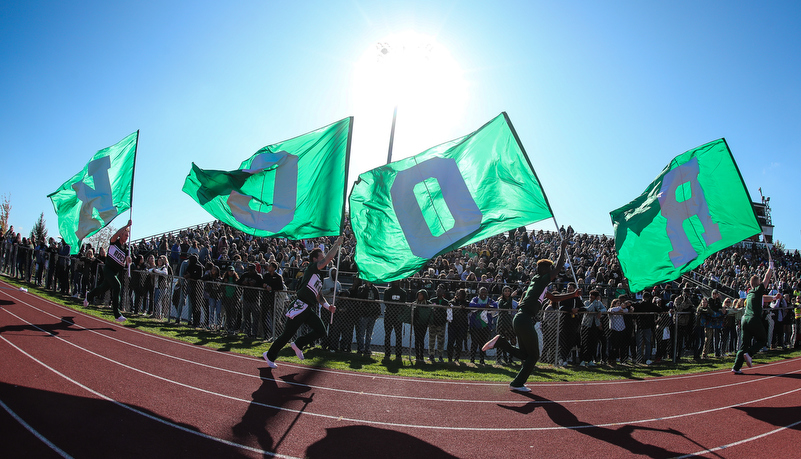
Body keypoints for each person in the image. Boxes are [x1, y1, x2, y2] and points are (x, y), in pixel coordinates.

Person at [482, 237, 580, 392]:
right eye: (550, 269)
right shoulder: (541, 280)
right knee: (534, 356)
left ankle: (500, 342)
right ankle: (517, 383)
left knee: (524, 354)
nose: (553, 272)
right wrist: (562, 248)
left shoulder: (538, 283)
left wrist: (573, 295)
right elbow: (560, 266)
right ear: (543, 271)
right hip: (524, 319)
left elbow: (554, 298)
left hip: (521, 319)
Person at [262, 236, 343, 368]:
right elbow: (328, 258)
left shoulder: (319, 276)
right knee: (287, 334)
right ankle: (270, 355)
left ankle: (299, 344)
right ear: (315, 259)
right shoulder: (312, 268)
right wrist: (337, 244)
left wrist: (328, 307)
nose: (324, 259)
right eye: (321, 257)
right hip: (300, 305)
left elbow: (319, 296)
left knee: (321, 330)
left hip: (308, 308)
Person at [732, 262, 781, 374]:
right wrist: (770, 267)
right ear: (758, 283)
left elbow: (763, 298)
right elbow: (767, 278)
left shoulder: (750, 293)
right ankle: (750, 353)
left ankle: (736, 367)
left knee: (744, 345)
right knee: (762, 339)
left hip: (745, 320)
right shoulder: (758, 289)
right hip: (754, 319)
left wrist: (774, 297)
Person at [84, 220, 133, 323]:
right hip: (108, 269)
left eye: (128, 236)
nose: (126, 237)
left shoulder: (127, 249)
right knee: (117, 286)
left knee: (102, 289)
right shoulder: (114, 242)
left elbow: (128, 263)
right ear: (121, 235)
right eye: (125, 235)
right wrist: (126, 225)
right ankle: (117, 314)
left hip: (115, 272)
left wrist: (129, 261)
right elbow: (116, 234)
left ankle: (89, 296)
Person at [382, 280, 408, 361]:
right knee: (387, 335)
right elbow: (386, 302)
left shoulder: (403, 292)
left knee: (398, 335)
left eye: (398, 281)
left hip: (398, 317)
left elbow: (403, 303)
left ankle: (398, 354)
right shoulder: (387, 291)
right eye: (395, 281)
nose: (396, 282)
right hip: (389, 315)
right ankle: (387, 353)